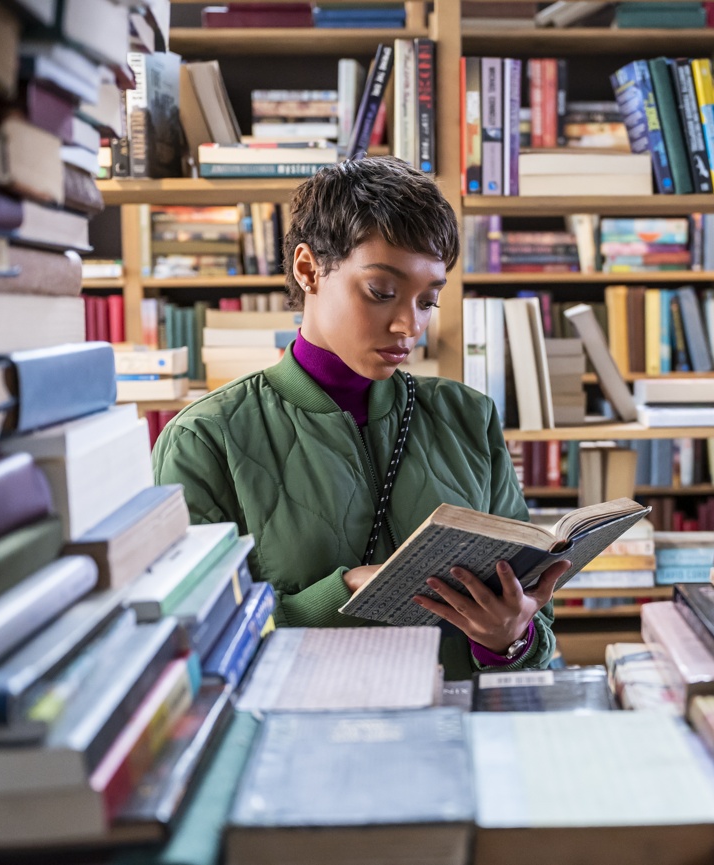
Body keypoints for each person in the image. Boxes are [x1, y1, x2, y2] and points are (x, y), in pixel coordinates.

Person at [152, 157, 569, 680]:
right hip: (300, 738)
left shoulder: (468, 417)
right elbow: (193, 644)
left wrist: (508, 639)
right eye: (381, 291)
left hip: (459, 730)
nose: (408, 324)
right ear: (308, 270)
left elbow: (538, 630)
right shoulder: (205, 439)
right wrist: (341, 594)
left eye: (428, 300)